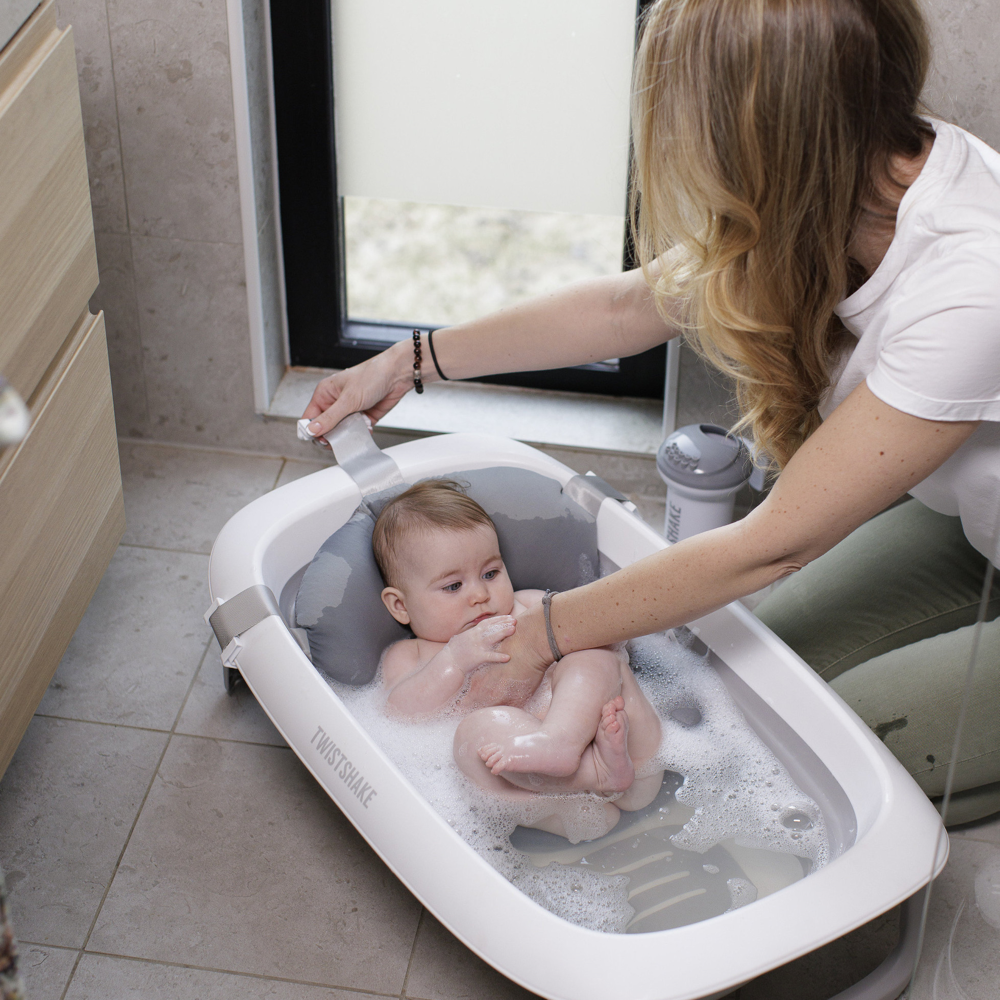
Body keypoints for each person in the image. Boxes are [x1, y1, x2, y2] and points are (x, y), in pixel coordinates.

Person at [304, 0, 1000, 825]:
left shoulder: (970, 283)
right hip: (969, 529)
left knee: (842, 761)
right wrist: (410, 358)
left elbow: (771, 547)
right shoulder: (835, 181)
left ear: (765, 133)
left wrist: (540, 636)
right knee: (732, 684)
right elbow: (623, 310)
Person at [372, 480, 664, 839]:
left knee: (594, 653)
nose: (480, 594)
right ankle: (584, 780)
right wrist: (453, 660)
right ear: (400, 605)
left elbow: (609, 630)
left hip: (631, 754)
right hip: (555, 792)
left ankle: (561, 740)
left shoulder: (528, 606)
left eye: (490, 574)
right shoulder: (412, 654)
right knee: (472, 735)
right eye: (453, 586)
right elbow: (400, 713)